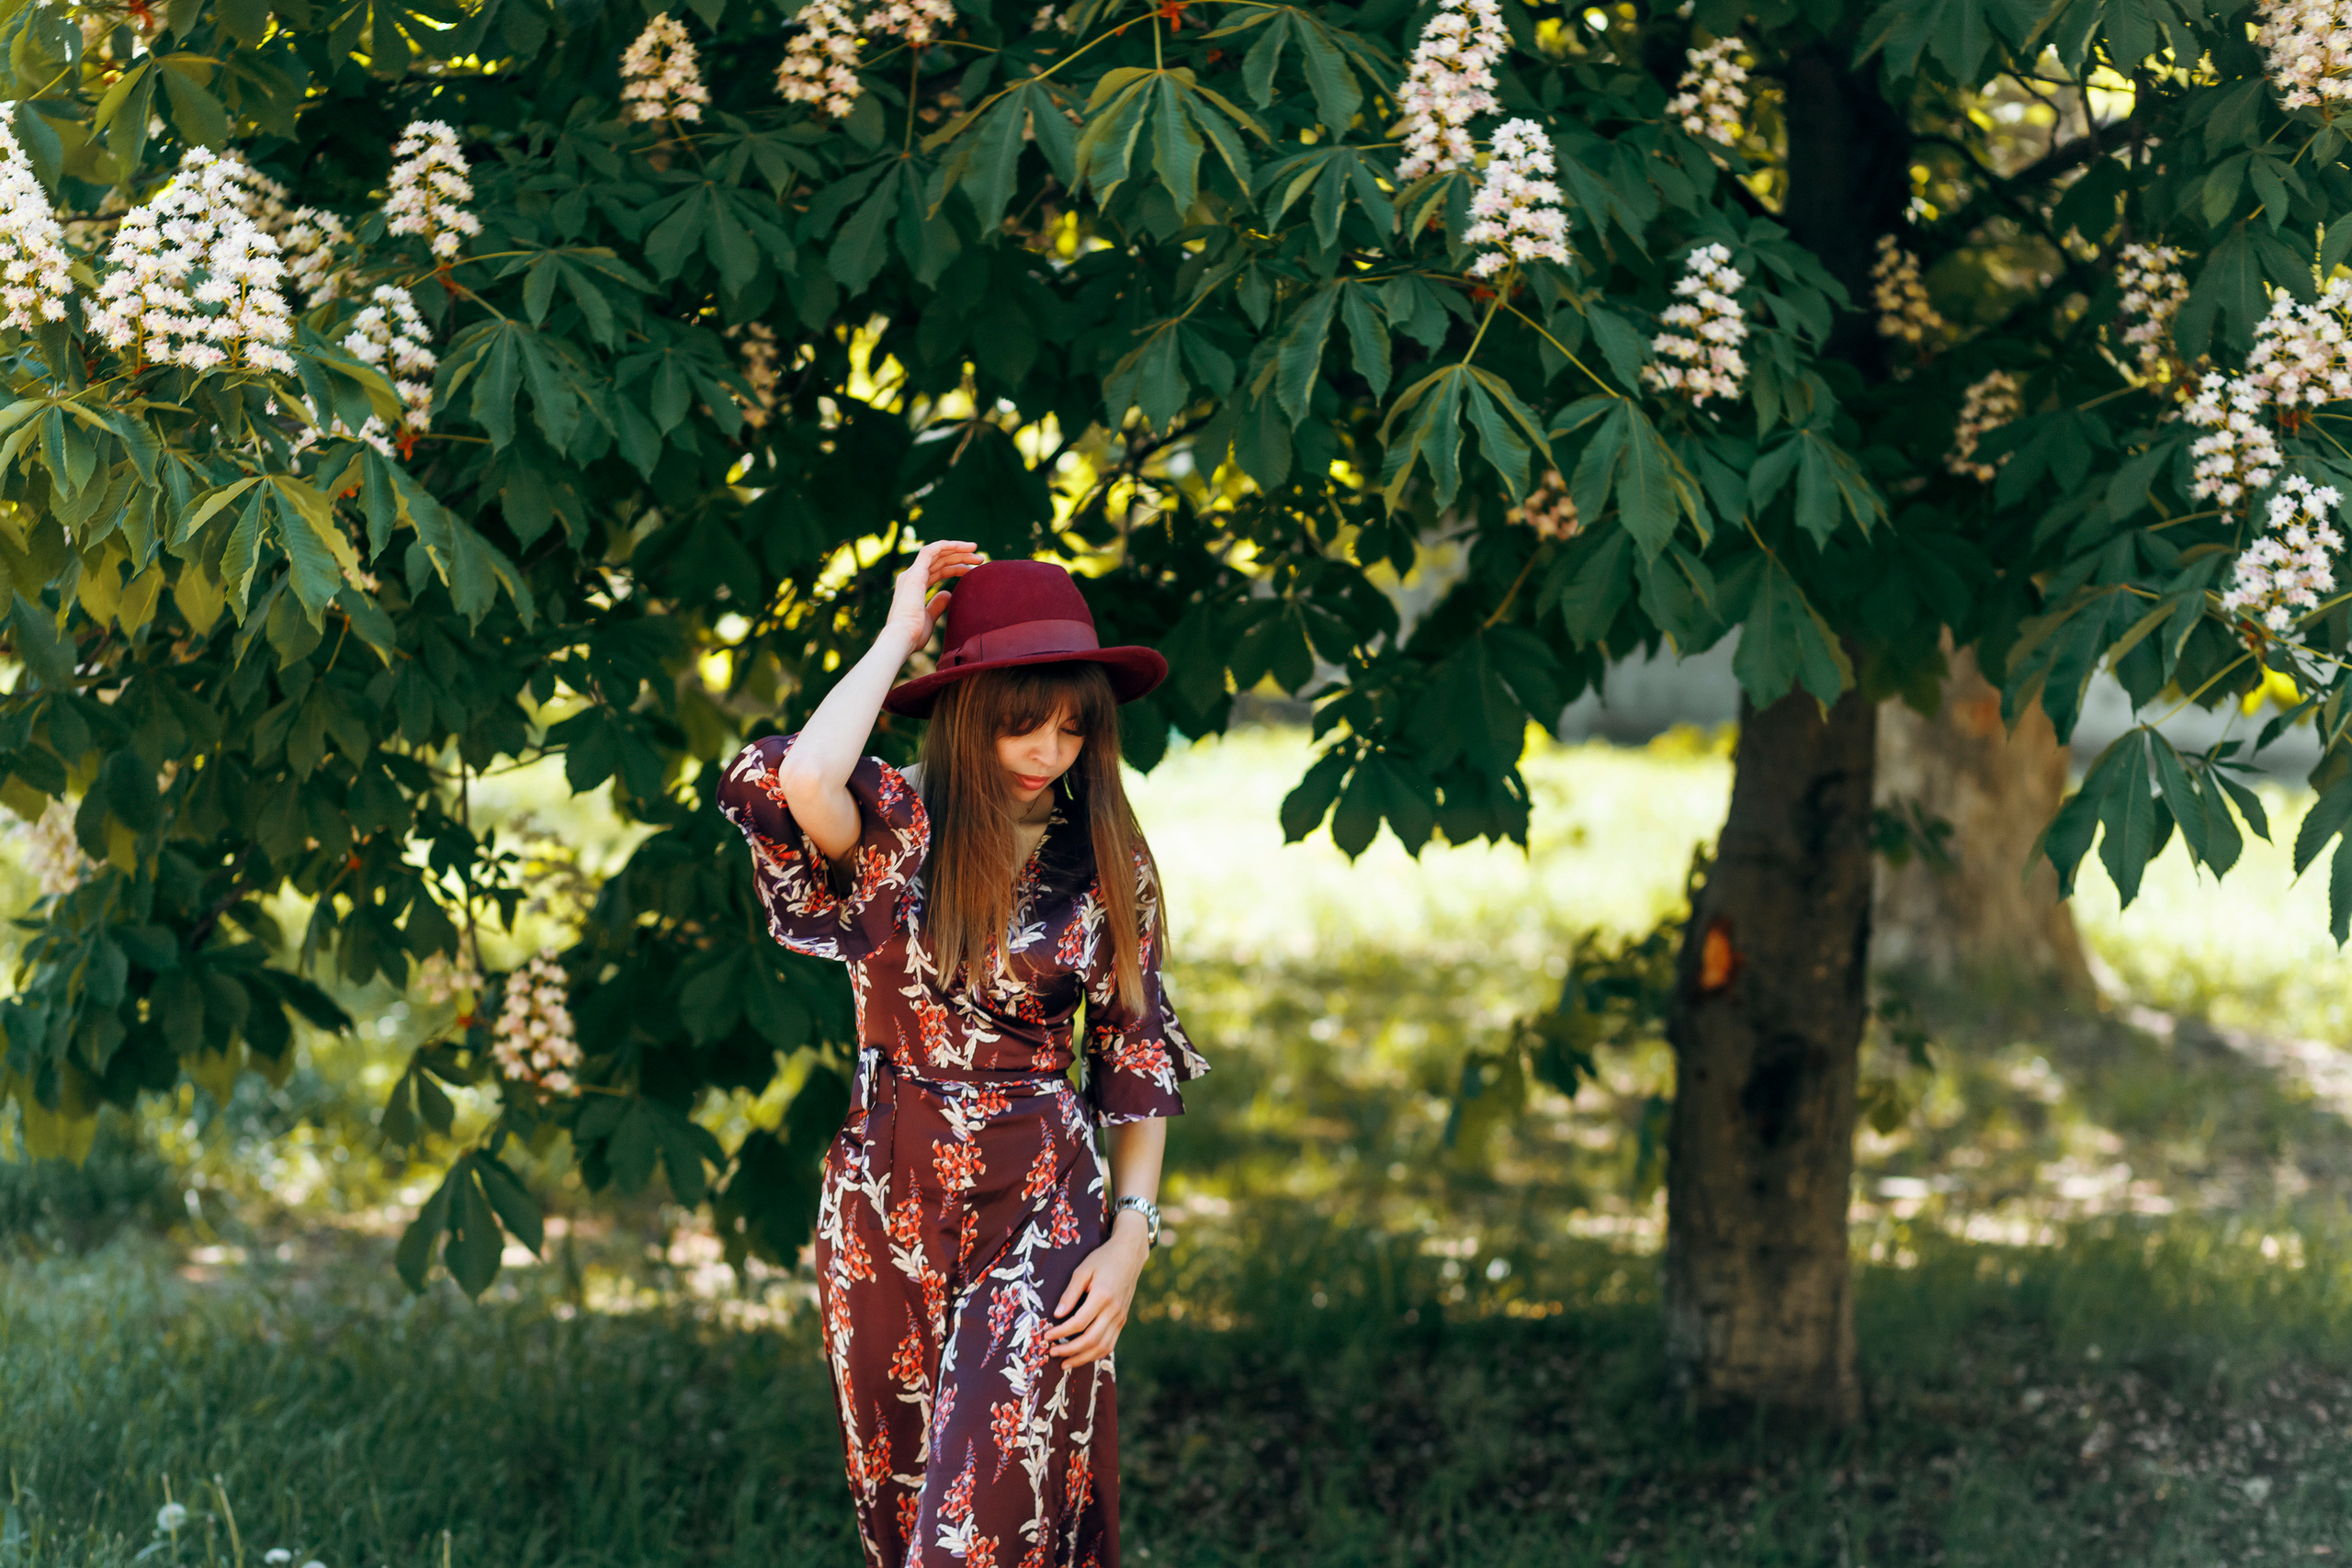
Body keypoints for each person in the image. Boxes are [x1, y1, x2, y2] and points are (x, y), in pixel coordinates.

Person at [715, 543, 1206, 1568]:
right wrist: (901, 632)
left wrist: (1132, 1236)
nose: (1050, 749)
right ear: (969, 707)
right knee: (902, 1521)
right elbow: (801, 775)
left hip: (1042, 1199)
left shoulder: (1107, 856)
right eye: (1025, 720)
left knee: (976, 1524)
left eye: (1074, 724)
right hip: (880, 1197)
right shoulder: (895, 823)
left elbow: (1134, 1052)